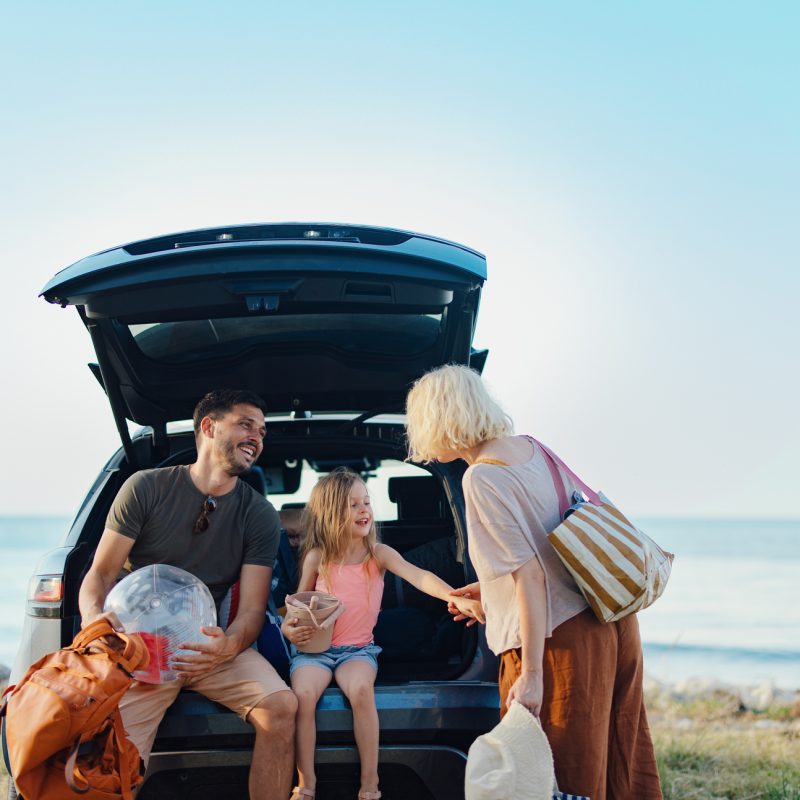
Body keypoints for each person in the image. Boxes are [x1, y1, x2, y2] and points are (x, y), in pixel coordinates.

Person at [404, 365, 662, 800]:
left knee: (559, 773)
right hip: (611, 620)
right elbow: (552, 545)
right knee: (620, 755)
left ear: (438, 419)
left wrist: (534, 675)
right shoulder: (533, 448)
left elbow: (531, 575)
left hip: (560, 642)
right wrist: (492, 591)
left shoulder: (482, 476)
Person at [79, 389, 298, 800]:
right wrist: (98, 628)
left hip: (210, 647)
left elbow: (252, 608)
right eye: (246, 424)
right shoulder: (145, 488)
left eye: (262, 431)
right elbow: (101, 574)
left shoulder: (259, 515)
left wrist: (227, 646)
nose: (257, 437)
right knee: (111, 757)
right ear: (209, 427)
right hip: (141, 650)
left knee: (281, 707)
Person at [281, 467, 483, 800]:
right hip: (313, 651)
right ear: (331, 513)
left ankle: (370, 784)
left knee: (361, 689)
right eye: (353, 505)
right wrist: (290, 630)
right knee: (302, 697)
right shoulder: (317, 558)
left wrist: (452, 595)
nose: (364, 511)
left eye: (367, 502)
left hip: (357, 651)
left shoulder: (377, 554)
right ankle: (306, 784)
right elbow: (297, 607)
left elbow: (419, 576)